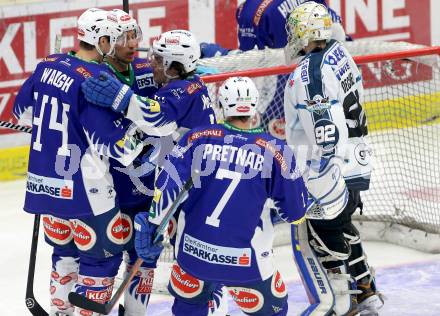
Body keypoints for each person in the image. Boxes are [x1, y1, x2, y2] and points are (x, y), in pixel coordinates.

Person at [133, 76, 308, 316]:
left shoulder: (196, 137)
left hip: (194, 257)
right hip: (246, 264)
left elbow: (167, 184)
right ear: (254, 106)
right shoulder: (277, 150)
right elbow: (296, 213)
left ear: (222, 104)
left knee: (189, 308)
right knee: (274, 310)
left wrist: (153, 226)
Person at [13, 8, 146, 316]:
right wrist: (146, 128)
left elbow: (21, 112)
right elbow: (120, 147)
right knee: (102, 258)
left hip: (44, 187)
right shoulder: (96, 79)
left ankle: (61, 312)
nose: (116, 46)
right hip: (86, 192)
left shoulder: (47, 63)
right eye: (113, 40)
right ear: (100, 40)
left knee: (65, 252)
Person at [283, 2, 382, 315]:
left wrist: (320, 176)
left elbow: (325, 133)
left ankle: (346, 303)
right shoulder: (339, 53)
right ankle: (366, 290)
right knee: (341, 223)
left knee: (322, 234)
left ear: (304, 32)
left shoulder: (310, 74)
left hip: (332, 166)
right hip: (356, 158)